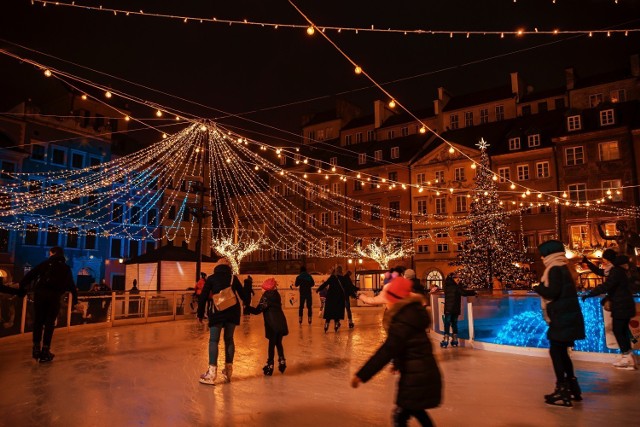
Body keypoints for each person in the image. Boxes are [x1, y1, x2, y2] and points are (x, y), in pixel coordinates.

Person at [351, 274, 442, 427]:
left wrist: (362, 375)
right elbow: (410, 346)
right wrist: (398, 363)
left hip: (415, 378)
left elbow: (386, 351)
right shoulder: (414, 313)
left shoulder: (402, 321)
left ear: (396, 300)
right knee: (415, 411)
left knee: (402, 415)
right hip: (424, 372)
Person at [0, 246, 78, 362]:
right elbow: (71, 285)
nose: (49, 255)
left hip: (40, 295)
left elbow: (30, 275)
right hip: (54, 297)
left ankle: (36, 347)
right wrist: (75, 300)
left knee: (38, 321)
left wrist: (21, 289)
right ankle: (45, 350)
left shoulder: (46, 264)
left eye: (50, 253)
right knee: (49, 323)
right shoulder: (66, 268)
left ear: (53, 253)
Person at [532, 240, 585, 407]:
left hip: (561, 318)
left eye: (542, 254)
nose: (541, 257)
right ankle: (572, 387)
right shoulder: (564, 267)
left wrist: (538, 287)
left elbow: (553, 292)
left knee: (556, 353)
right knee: (562, 353)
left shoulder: (554, 269)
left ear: (548, 254)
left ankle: (562, 389)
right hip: (568, 318)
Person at [582, 254, 637, 370]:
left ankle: (627, 357)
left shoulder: (616, 272)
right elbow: (604, 277)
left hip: (621, 306)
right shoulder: (622, 271)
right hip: (624, 305)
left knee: (618, 330)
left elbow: (606, 285)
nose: (605, 262)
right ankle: (628, 356)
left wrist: (590, 294)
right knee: (621, 330)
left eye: (606, 260)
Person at [197, 258, 245, 385]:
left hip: (217, 312)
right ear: (228, 267)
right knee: (229, 339)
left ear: (216, 267)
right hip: (232, 312)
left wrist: (200, 314)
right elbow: (244, 295)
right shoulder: (233, 278)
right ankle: (228, 371)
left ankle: (212, 373)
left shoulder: (211, 278)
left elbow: (202, 298)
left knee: (214, 340)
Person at [245, 278, 289, 375]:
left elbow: (258, 310)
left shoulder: (266, 296)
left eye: (262, 288)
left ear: (266, 288)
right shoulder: (277, 295)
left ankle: (270, 364)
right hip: (281, 322)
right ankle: (282, 360)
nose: (261, 290)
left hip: (272, 324)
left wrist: (247, 307)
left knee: (272, 344)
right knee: (279, 342)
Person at [441, 273, 477, 348]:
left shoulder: (447, 286)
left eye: (459, 278)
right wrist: (474, 292)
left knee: (447, 323)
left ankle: (446, 338)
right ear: (453, 279)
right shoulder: (455, 287)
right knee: (453, 323)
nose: (458, 279)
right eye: (457, 278)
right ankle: (454, 339)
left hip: (449, 308)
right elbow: (463, 293)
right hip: (455, 308)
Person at [317, 265, 347, 333]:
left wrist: (319, 289)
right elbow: (346, 288)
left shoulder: (332, 277)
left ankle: (326, 324)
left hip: (331, 297)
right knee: (337, 312)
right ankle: (336, 324)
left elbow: (325, 284)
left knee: (329, 312)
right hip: (339, 298)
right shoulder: (343, 278)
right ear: (341, 271)